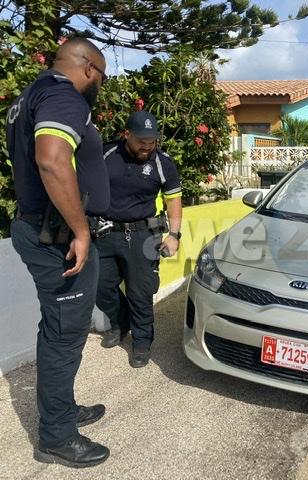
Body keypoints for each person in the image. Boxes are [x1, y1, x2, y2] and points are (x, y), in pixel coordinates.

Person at [7, 38, 111, 468]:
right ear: (89, 68)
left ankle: (61, 409)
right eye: (102, 77)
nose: (100, 86)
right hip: (56, 238)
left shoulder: (28, 96)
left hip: (40, 228)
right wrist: (81, 231)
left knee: (57, 329)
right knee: (65, 336)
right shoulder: (64, 95)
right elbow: (51, 160)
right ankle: (57, 436)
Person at [96, 110, 182, 368]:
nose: (147, 147)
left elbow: (173, 201)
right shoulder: (106, 154)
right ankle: (120, 323)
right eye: (142, 142)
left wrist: (174, 235)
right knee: (100, 286)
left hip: (143, 234)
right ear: (127, 135)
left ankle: (142, 342)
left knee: (140, 292)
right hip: (105, 232)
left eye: (152, 142)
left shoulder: (162, 163)